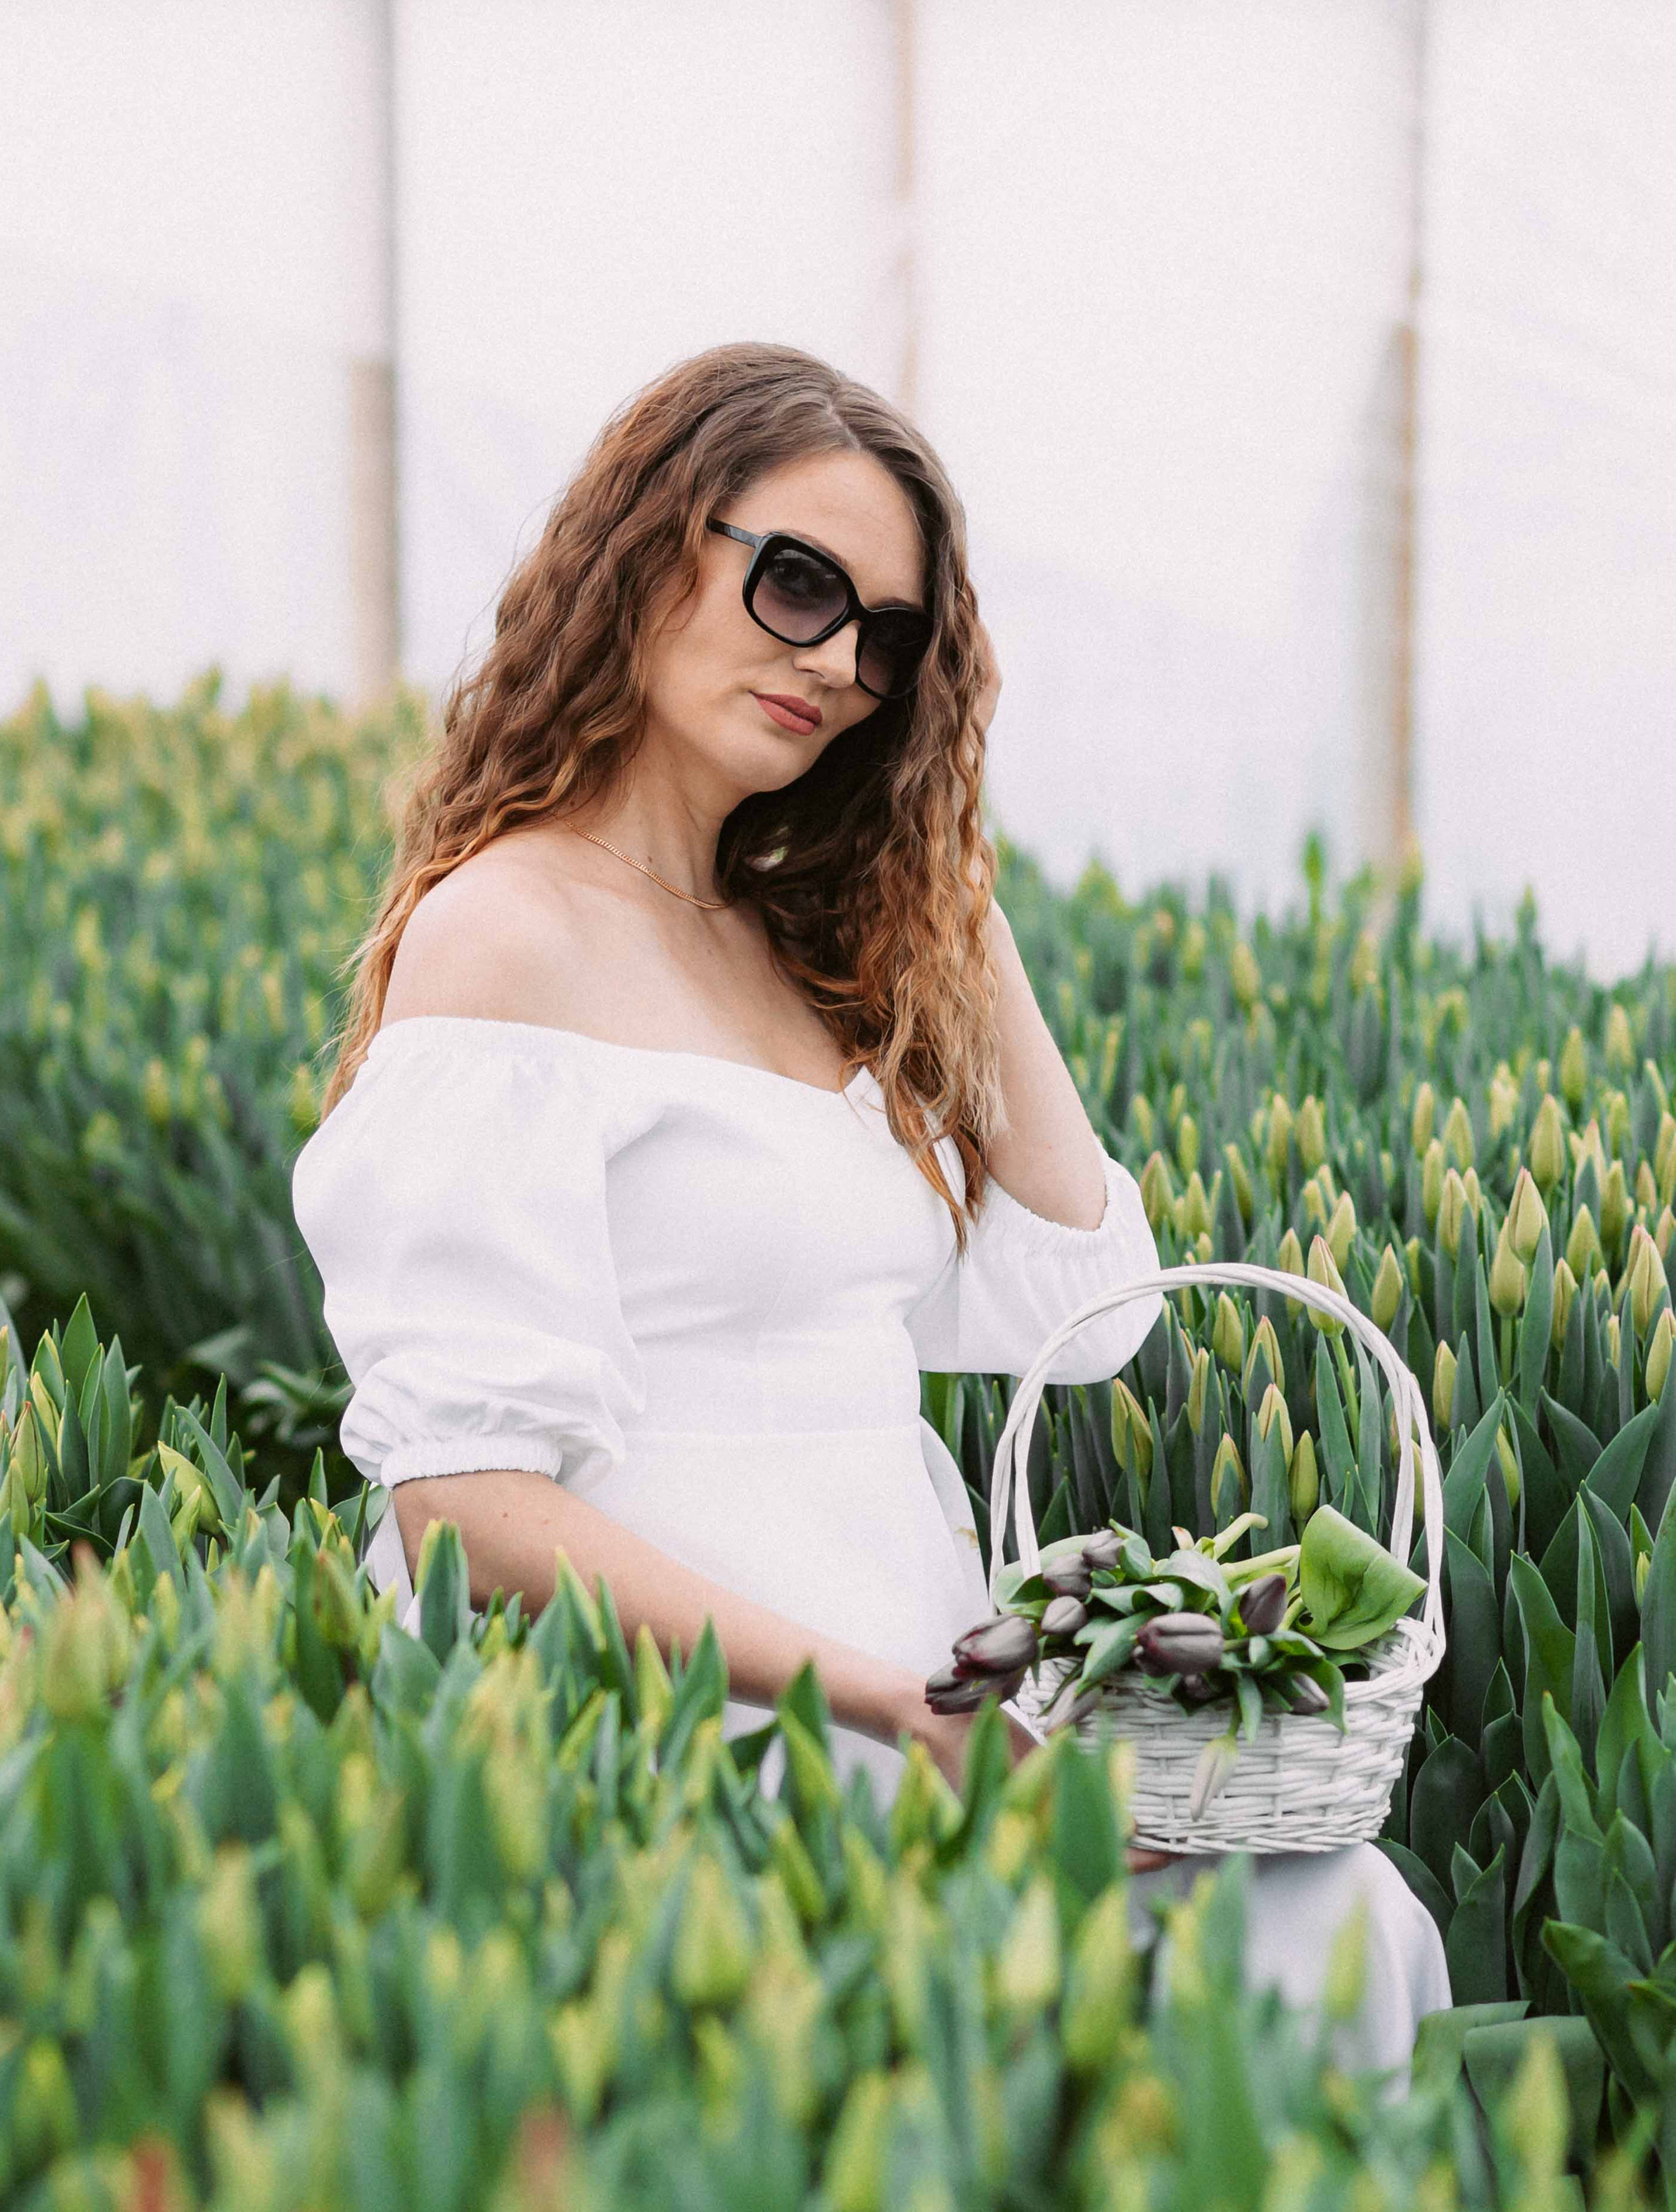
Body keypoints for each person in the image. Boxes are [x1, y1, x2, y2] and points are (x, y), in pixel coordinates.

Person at [292, 341, 1449, 2082]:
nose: (836, 662)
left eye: (887, 640)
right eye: (796, 584)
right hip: (687, 1724)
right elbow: (467, 1506)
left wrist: (942, 875)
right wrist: (892, 1713)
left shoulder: (789, 948)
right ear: (645, 550)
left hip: (928, 1699)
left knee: (1333, 1910)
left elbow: (1094, 1303)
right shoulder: (506, 932)